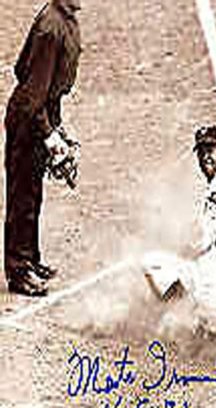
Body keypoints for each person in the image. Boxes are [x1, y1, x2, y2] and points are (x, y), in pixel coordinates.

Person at [143, 125, 216, 346]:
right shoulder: (212, 188)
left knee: (208, 296)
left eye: (211, 149)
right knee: (153, 264)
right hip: (213, 261)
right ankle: (192, 320)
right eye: (201, 151)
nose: (206, 155)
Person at [4, 0, 82, 296]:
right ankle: (18, 269)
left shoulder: (67, 19)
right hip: (28, 121)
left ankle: (30, 258)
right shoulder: (51, 28)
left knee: (33, 195)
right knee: (23, 197)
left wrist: (56, 128)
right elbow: (33, 94)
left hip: (41, 112)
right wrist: (50, 136)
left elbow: (45, 87)